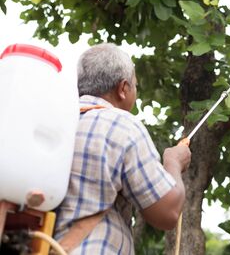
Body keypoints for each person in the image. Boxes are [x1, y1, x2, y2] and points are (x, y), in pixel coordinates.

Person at [54, 43, 191, 254]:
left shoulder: (53, 120)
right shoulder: (121, 124)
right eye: (135, 86)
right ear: (123, 88)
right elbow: (168, 213)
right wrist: (173, 163)